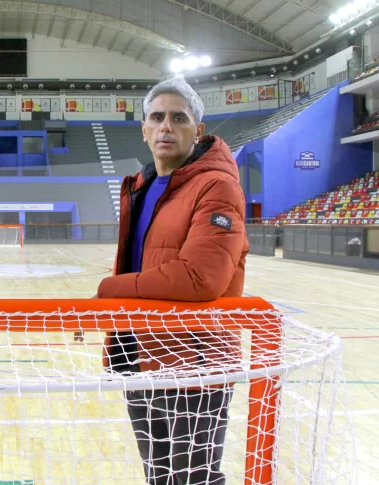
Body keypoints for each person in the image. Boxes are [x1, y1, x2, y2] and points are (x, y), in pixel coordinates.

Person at [97, 76, 249, 485]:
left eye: (179, 118)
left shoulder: (217, 186)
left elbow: (201, 277)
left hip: (195, 366)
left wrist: (108, 291)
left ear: (198, 130)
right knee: (159, 476)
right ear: (144, 129)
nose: (166, 126)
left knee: (193, 479)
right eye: (157, 117)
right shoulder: (143, 186)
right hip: (140, 356)